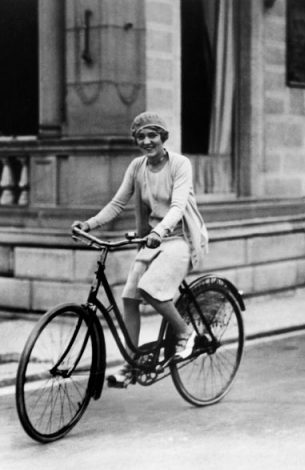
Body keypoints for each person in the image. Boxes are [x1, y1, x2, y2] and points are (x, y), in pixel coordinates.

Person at [72, 111, 209, 388]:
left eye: (152, 135)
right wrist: (89, 224)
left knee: (149, 287)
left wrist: (160, 231)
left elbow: (178, 206)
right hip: (152, 240)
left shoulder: (180, 164)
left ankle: (186, 334)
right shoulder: (137, 167)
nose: (147, 141)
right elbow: (117, 203)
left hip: (179, 238)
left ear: (163, 138)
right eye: (141, 136)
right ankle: (132, 363)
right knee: (130, 297)